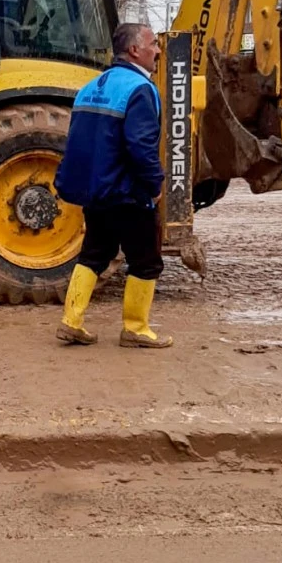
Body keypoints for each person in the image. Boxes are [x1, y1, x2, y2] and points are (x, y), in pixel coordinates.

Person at [54, 23, 173, 349]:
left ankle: (71, 321)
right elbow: (140, 146)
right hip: (128, 192)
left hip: (97, 191)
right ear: (135, 50)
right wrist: (154, 184)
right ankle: (136, 329)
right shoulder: (140, 89)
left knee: (94, 253)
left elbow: (79, 141)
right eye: (153, 44)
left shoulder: (90, 87)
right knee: (147, 260)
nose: (158, 51)